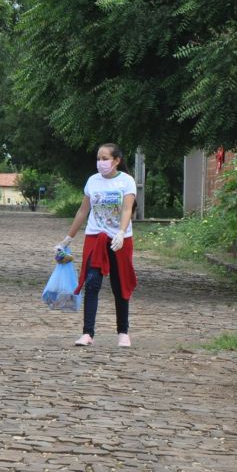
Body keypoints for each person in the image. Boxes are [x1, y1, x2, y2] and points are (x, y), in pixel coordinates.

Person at [56, 142, 138, 347]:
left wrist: (121, 232)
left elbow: (127, 209)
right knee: (92, 282)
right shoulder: (92, 181)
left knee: (120, 284)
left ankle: (123, 332)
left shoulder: (126, 181)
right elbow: (83, 210)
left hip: (120, 240)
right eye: (98, 159)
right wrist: (68, 238)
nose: (101, 162)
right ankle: (87, 333)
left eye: (105, 158)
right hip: (95, 237)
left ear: (116, 160)